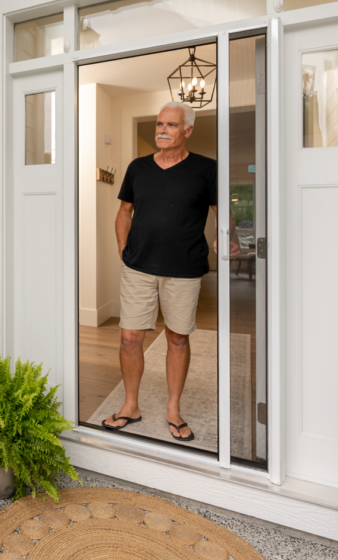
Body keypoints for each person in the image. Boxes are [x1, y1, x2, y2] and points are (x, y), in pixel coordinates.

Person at [102, 102, 238, 441]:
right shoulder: (137, 168)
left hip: (184, 268)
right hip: (139, 267)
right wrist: (123, 249)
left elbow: (222, 211)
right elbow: (124, 212)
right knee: (129, 338)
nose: (162, 130)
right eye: (159, 124)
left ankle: (173, 409)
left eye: (171, 125)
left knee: (177, 339)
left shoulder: (207, 169)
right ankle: (130, 405)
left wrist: (230, 238)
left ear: (187, 131)